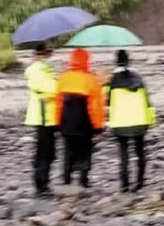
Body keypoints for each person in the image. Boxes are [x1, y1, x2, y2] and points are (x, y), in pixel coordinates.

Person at [103, 50, 155, 193]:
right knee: (140, 152)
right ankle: (140, 182)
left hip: (120, 122)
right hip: (139, 120)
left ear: (116, 61)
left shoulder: (112, 80)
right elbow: (147, 101)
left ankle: (124, 185)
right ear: (129, 60)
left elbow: (106, 102)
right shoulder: (138, 77)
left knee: (123, 154)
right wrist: (151, 120)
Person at [55, 49, 105, 188]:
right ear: (86, 61)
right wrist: (98, 125)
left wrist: (57, 122)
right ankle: (84, 179)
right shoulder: (90, 80)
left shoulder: (63, 78)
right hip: (84, 122)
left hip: (66, 122)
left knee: (68, 150)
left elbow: (57, 103)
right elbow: (95, 106)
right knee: (85, 149)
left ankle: (66, 178)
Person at [24, 43, 58, 197]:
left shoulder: (44, 70)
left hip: (48, 116)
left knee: (48, 151)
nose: (48, 57)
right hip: (43, 115)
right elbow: (48, 89)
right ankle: (41, 185)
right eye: (46, 54)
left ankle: (43, 183)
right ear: (39, 55)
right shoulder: (37, 71)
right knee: (44, 152)